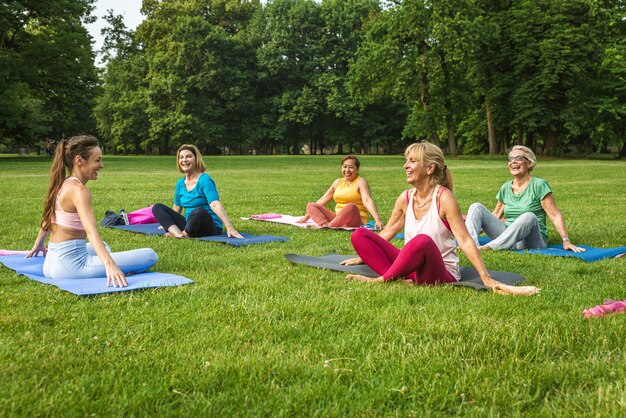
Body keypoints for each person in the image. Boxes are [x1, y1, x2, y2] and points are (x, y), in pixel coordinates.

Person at [341, 142, 539, 296]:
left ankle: (383, 279)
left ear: (429, 168)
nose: (405, 166)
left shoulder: (444, 198)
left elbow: (464, 239)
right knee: (360, 235)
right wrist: (363, 256)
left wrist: (486, 277)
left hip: (440, 272)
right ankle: (398, 278)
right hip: (412, 268)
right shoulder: (406, 197)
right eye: (406, 161)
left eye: (412, 161)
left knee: (422, 241)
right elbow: (389, 231)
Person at [27, 135, 158, 287]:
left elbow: (48, 217)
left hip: (51, 262)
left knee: (104, 245)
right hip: (70, 267)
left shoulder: (63, 183)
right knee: (149, 255)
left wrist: (39, 243)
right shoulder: (79, 190)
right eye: (97, 160)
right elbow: (90, 231)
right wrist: (110, 266)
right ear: (79, 161)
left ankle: (106, 263)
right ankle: (108, 265)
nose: (101, 165)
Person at [465, 145, 584, 252]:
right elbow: (496, 215)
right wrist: (476, 227)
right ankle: (470, 245)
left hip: (530, 241)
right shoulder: (506, 187)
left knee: (529, 216)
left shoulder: (539, 185)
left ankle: (490, 247)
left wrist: (566, 240)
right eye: (511, 159)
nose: (513, 162)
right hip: (507, 235)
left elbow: (554, 215)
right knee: (476, 207)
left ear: (529, 163)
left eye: (519, 158)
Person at [152, 144, 243, 239]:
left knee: (198, 212)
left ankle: (184, 233)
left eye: (189, 156)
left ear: (196, 159)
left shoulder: (205, 180)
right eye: (181, 157)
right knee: (157, 207)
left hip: (208, 225)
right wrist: (168, 221)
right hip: (189, 224)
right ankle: (178, 234)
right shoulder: (180, 183)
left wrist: (229, 227)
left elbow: (215, 204)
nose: (184, 160)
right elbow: (177, 207)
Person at [297, 155, 384, 229]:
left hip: (355, 220)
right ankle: (325, 225)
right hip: (337, 217)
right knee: (311, 205)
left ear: (357, 169)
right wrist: (307, 217)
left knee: (351, 206)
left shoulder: (360, 182)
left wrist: (378, 220)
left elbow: (367, 200)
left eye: (351, 167)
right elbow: (323, 199)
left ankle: (329, 226)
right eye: (345, 167)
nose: (347, 170)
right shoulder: (337, 182)